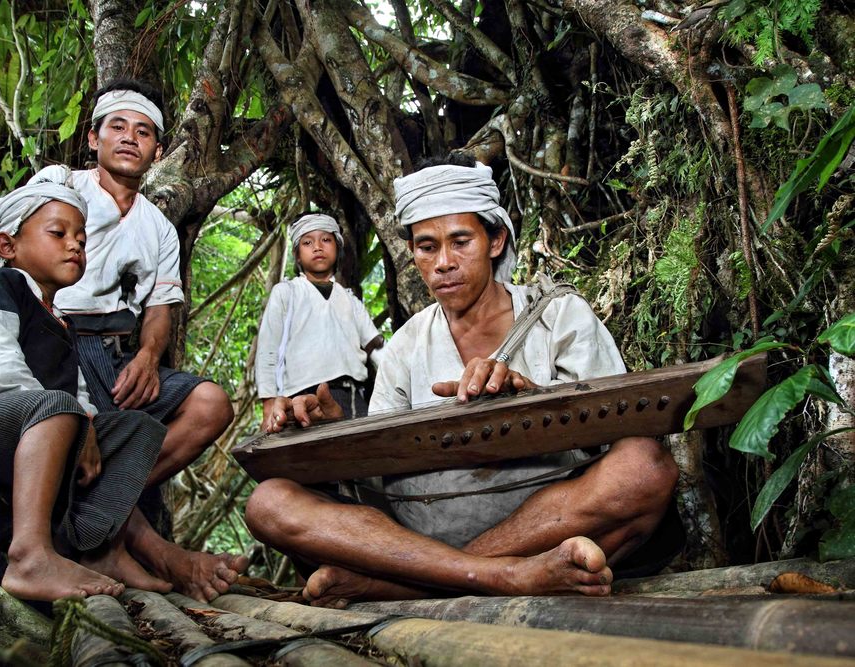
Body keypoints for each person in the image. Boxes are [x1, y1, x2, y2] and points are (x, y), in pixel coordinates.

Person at [245, 154, 679, 607]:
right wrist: (332, 432)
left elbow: (617, 435)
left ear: (495, 240)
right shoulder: (405, 346)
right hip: (420, 531)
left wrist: (530, 400)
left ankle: (414, 585)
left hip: (546, 523)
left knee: (644, 466)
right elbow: (373, 473)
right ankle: (504, 575)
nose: (444, 263)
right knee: (269, 502)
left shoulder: (558, 316)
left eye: (460, 241)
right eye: (427, 246)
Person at [32, 78, 247, 600]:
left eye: (144, 132)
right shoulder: (62, 189)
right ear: (93, 138)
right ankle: (146, 549)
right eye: (118, 127)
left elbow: (159, 308)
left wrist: (150, 356)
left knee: (210, 403)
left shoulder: (158, 227)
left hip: (121, 353)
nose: (130, 138)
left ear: (157, 149)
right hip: (59, 344)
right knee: (93, 417)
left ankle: (94, 508)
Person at [0, 173, 174, 601]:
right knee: (57, 405)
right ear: (7, 245)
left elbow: (78, 391)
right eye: (58, 233)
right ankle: (30, 557)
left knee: (135, 429)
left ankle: (99, 549)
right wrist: (71, 418)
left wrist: (88, 424)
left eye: (81, 239)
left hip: (28, 424)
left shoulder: (59, 321)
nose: (75, 244)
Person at [256, 212, 383, 433]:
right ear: (297, 255)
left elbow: (377, 349)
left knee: (362, 460)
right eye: (307, 242)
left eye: (326, 240)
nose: (317, 247)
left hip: (354, 397)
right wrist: (269, 404)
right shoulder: (287, 292)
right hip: (302, 400)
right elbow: (268, 350)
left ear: (337, 248)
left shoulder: (351, 300)